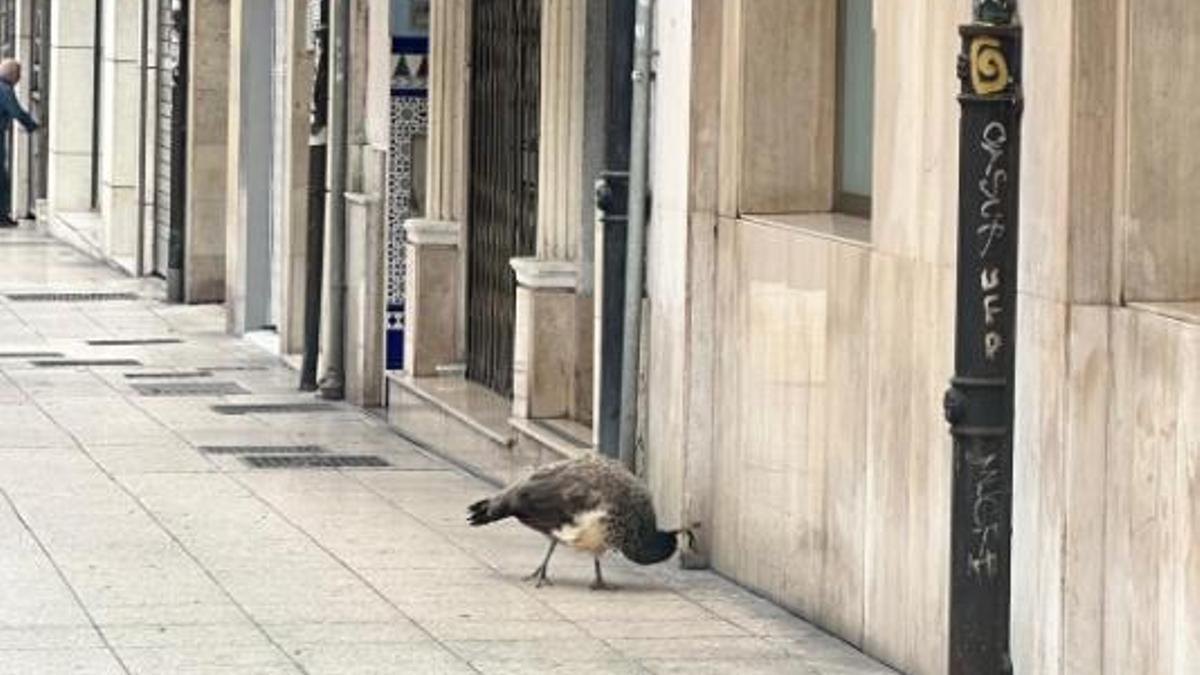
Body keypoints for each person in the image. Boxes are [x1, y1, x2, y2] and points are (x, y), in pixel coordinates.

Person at [0, 59, 39, 228]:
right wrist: (33, 126)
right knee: (1, 178)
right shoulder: (5, 89)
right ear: (13, 75)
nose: (20, 78)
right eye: (19, 74)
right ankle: (2, 216)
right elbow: (15, 111)